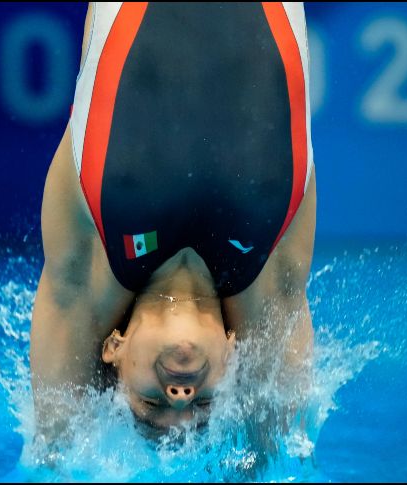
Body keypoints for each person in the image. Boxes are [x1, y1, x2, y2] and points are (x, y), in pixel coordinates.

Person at [30, 1, 316, 447]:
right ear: (233, 358)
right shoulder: (267, 278)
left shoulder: (90, 266)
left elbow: (52, 455)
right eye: (203, 407)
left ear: (114, 350)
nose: (180, 395)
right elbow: (281, 459)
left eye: (151, 406)